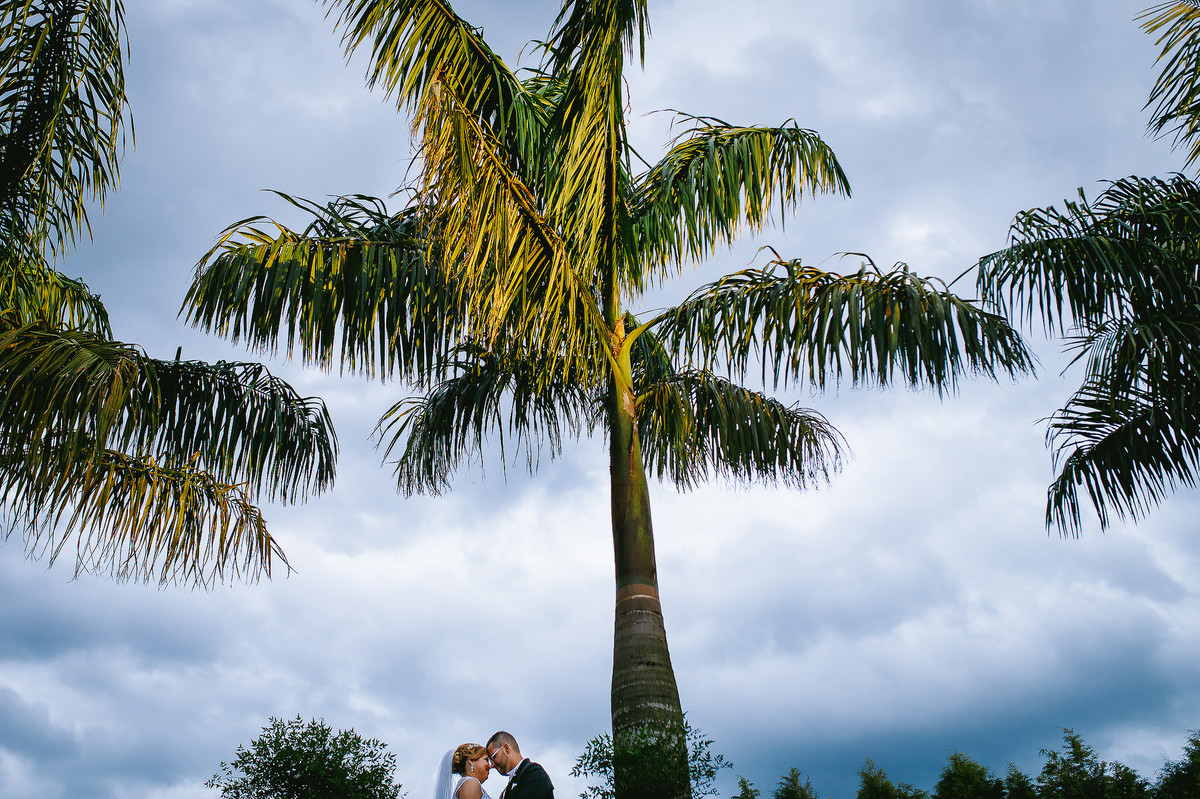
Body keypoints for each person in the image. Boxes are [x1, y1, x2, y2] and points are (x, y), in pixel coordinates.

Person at [486, 731, 553, 799]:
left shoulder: (534, 772)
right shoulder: (508, 787)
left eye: (493, 757)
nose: (492, 765)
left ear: (506, 748)